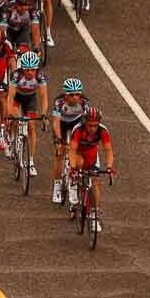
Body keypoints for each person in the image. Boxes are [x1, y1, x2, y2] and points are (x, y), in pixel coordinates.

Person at [49, 77, 91, 205]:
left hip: (75, 124)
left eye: (77, 94)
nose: (75, 97)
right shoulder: (59, 102)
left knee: (78, 150)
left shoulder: (84, 102)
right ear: (66, 95)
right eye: (71, 95)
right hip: (62, 124)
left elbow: (87, 123)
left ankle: (75, 178)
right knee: (59, 153)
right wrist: (58, 139)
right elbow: (55, 122)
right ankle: (57, 185)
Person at [4, 50, 47, 173]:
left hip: (30, 99)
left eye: (32, 70)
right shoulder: (16, 75)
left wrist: (43, 114)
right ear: (22, 68)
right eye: (27, 70)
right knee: (14, 118)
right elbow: (10, 97)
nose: (30, 73)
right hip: (17, 98)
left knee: (31, 127)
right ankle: (11, 138)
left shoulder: (40, 76)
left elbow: (44, 97)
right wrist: (9, 114)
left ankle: (31, 161)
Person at [68, 109, 117, 216]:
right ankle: (73, 187)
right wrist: (72, 167)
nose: (92, 128)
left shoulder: (102, 130)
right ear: (85, 122)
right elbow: (72, 150)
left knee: (95, 181)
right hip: (78, 153)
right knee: (79, 163)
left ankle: (95, 212)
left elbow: (108, 150)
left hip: (92, 154)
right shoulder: (78, 130)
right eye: (90, 125)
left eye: (95, 125)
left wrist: (109, 167)